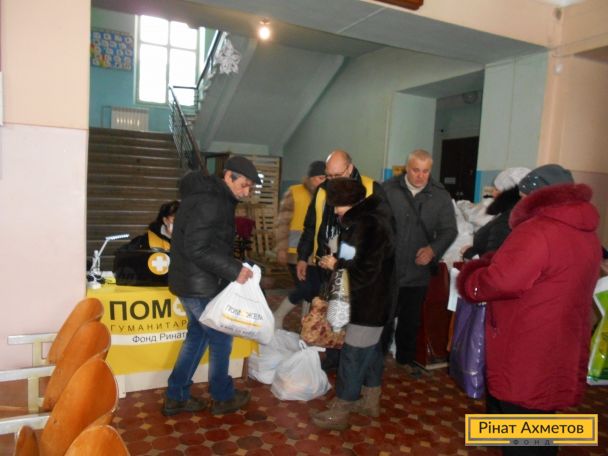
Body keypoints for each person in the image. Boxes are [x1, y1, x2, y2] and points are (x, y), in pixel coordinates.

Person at [457, 164, 601, 456]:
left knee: (521, 424)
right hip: (562, 341)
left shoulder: (536, 230)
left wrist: (471, 277)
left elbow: (501, 281)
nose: (520, 201)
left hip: (528, 345)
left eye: (523, 196)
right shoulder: (587, 234)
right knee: (542, 420)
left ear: (537, 196)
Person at [162, 156, 261, 417]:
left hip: (192, 281)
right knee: (220, 338)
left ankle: (176, 396)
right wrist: (234, 270)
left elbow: (207, 243)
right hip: (199, 284)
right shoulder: (211, 201)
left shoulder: (208, 196)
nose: (246, 192)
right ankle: (222, 397)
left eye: (250, 187)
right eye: (244, 185)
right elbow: (197, 248)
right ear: (228, 176)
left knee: (198, 335)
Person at [311, 178, 395, 430]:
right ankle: (370, 401)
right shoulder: (362, 221)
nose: (335, 211)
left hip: (368, 304)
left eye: (337, 206)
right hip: (373, 302)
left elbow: (364, 272)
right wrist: (338, 260)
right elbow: (353, 258)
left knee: (353, 355)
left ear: (349, 203)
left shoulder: (367, 225)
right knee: (371, 351)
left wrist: (335, 265)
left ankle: (341, 409)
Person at [296, 149, 383, 370]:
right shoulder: (322, 191)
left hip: (355, 270)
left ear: (350, 168)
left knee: (352, 319)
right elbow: (310, 226)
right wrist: (303, 257)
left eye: (338, 175)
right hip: (326, 266)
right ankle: (333, 357)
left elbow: (380, 233)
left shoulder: (371, 189)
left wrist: (344, 263)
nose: (332, 181)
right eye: (329, 176)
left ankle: (354, 365)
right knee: (331, 314)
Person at [382, 149, 457, 376]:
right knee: (383, 318)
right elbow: (375, 222)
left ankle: (404, 360)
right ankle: (377, 360)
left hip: (417, 270)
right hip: (388, 268)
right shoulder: (388, 190)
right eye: (416, 170)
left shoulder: (440, 196)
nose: (420, 176)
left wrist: (433, 250)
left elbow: (449, 230)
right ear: (407, 168)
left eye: (425, 171)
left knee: (410, 320)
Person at [273, 160, 326, 328]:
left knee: (315, 291)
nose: (324, 181)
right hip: (294, 252)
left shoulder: (326, 196)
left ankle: (306, 325)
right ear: (310, 178)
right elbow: (282, 223)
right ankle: (278, 315)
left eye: (326, 177)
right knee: (304, 288)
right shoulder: (294, 192)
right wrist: (281, 249)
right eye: (320, 177)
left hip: (316, 253)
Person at [461, 167, 529, 260]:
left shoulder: (506, 221)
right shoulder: (523, 214)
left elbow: (494, 260)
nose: (493, 193)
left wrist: (469, 253)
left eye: (497, 190)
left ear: (508, 193)